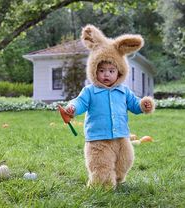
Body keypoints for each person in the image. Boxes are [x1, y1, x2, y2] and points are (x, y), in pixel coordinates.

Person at [64, 24, 155, 189]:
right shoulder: (90, 91)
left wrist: (143, 105)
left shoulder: (124, 91)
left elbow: (134, 105)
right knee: (101, 167)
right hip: (98, 139)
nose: (106, 74)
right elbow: (80, 102)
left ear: (119, 72)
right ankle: (100, 186)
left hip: (121, 137)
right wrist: (72, 108)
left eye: (111, 70)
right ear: (94, 71)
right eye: (102, 70)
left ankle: (118, 178)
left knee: (125, 161)